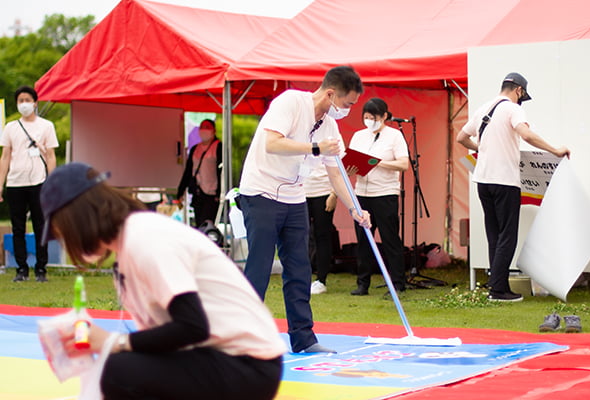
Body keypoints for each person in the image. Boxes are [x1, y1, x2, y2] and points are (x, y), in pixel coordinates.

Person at [40, 162, 286, 400]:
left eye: (62, 231)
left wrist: (112, 343)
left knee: (117, 371)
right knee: (120, 370)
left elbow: (193, 326)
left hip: (248, 365)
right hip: (224, 359)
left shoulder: (145, 239)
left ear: (79, 217)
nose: (64, 240)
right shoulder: (130, 246)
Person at [238, 65, 370, 353]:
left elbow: (337, 173)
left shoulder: (330, 126)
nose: (347, 110)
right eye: (347, 104)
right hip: (261, 190)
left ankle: (303, 338)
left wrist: (355, 208)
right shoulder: (290, 102)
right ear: (332, 93)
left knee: (299, 268)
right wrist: (315, 148)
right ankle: (241, 336)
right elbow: (272, 143)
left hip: (294, 196)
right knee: (259, 267)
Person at [457, 72, 570, 302]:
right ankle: (498, 290)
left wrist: (479, 147)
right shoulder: (513, 109)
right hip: (505, 181)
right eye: (522, 95)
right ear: (518, 90)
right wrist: (555, 150)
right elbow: (526, 134)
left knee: (494, 236)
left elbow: (461, 137)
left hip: (483, 181)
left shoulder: (483, 108)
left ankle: (495, 285)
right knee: (508, 236)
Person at [347, 98, 409, 297]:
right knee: (364, 239)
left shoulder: (395, 136)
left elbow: (403, 164)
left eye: (373, 117)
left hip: (385, 193)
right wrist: (352, 167)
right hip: (361, 194)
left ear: (384, 116)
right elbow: (349, 159)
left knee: (390, 239)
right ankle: (362, 283)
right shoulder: (358, 136)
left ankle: (398, 282)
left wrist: (377, 163)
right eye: (366, 117)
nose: (369, 121)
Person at [0, 86, 58, 282]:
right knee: (18, 227)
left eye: (27, 100)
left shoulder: (46, 126)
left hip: (39, 181)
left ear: (35, 102)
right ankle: (21, 269)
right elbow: (5, 156)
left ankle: (41, 268)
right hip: (16, 182)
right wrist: (0, 184)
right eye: (20, 100)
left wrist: (52, 182)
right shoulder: (10, 127)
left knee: (41, 226)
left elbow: (51, 156)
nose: (24, 104)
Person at [177, 119, 222, 227]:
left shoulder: (218, 147)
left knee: (207, 222)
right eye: (202, 127)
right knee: (198, 222)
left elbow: (222, 171)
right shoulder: (195, 149)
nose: (204, 130)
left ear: (214, 130)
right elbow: (188, 171)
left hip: (212, 192)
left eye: (207, 127)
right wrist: (181, 191)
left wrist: (219, 192)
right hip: (197, 191)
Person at [305, 163, 338, 294]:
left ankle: (321, 280)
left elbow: (340, 168)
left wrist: (334, 194)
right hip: (300, 192)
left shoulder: (333, 141)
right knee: (300, 236)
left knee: (322, 236)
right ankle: (301, 277)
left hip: (324, 191)